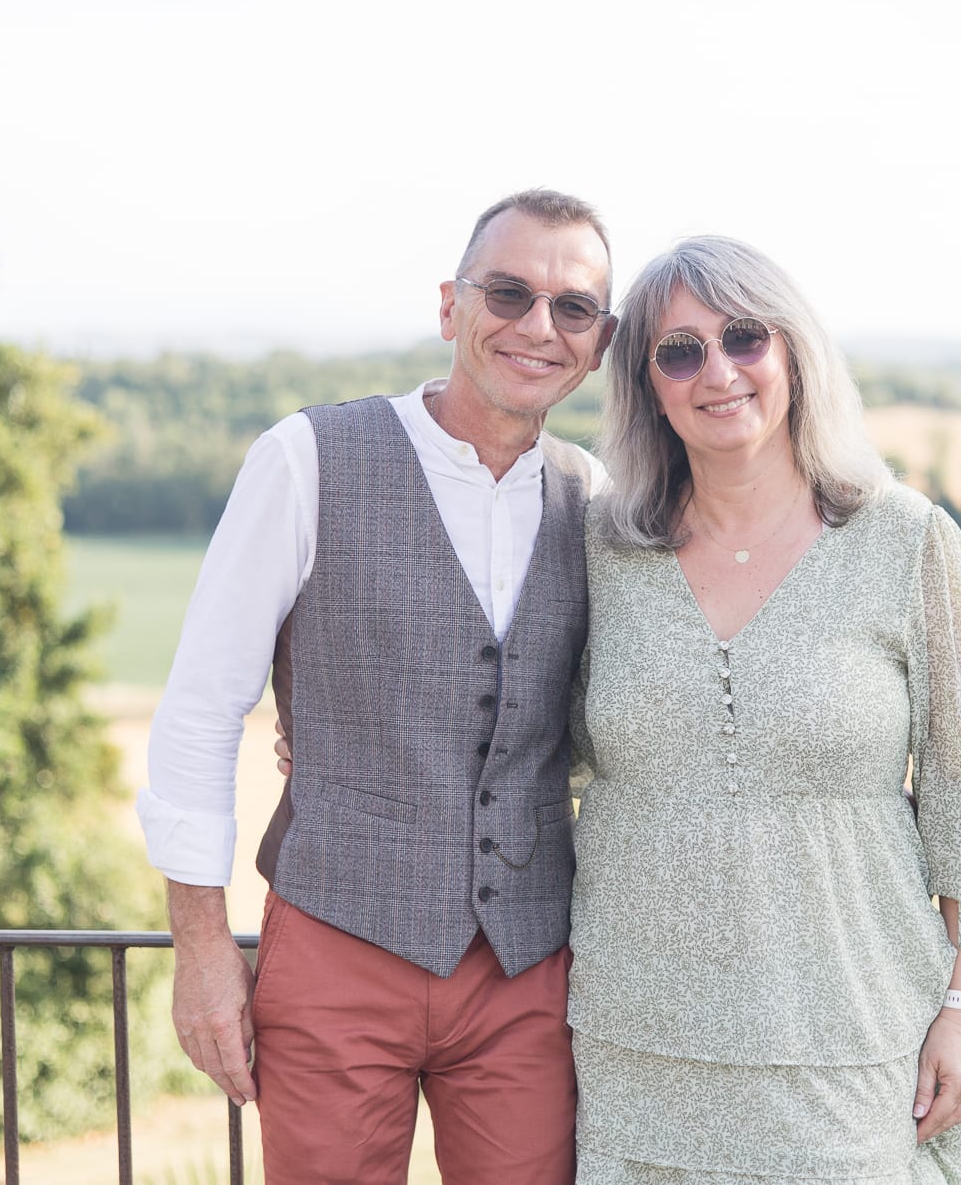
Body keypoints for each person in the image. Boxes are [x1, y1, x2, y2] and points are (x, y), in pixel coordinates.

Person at [137, 188, 615, 1184]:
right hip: (336, 945)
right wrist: (200, 948)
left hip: (526, 971)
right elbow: (199, 708)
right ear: (450, 306)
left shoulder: (595, 503)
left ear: (599, 342)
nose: (537, 326)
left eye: (571, 307)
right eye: (509, 292)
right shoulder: (308, 459)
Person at [566, 236, 961, 1183]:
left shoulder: (907, 540)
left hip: (854, 1038)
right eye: (680, 350)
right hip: (636, 1044)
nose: (718, 371)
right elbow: (507, 717)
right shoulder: (595, 550)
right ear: (647, 385)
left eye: (744, 336)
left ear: (794, 355)